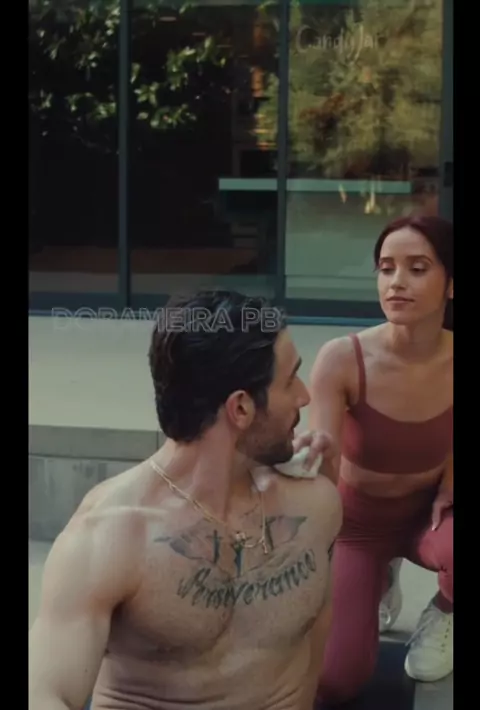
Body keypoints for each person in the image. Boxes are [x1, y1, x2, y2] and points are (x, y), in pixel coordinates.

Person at [29, 290, 342, 710]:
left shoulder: (313, 505)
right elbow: (43, 693)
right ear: (241, 408)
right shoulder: (112, 535)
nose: (305, 397)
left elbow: (314, 643)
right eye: (290, 380)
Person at [294, 214, 453, 705]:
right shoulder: (342, 358)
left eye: (417, 268)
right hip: (357, 525)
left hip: (426, 514)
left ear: (451, 285)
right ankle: (376, 578)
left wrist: (451, 484)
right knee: (337, 680)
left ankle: (444, 612)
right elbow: (324, 458)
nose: (396, 282)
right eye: (386, 268)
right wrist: (311, 460)